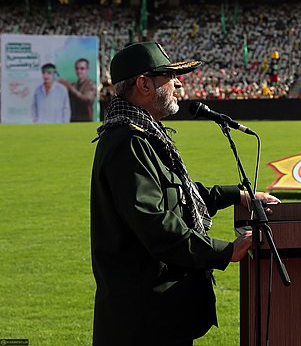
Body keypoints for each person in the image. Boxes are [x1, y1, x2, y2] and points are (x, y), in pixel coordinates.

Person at [90, 41, 279, 345]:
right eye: (170, 75)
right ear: (144, 84)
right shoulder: (128, 142)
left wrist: (237, 195)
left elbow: (178, 196)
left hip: (160, 316)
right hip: (144, 324)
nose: (178, 82)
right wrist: (225, 251)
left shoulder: (143, 135)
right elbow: (157, 224)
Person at [59, 57, 97, 121]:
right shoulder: (73, 85)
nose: (79, 71)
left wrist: (70, 88)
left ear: (88, 70)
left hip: (86, 120)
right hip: (73, 120)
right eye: (77, 68)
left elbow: (87, 100)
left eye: (82, 69)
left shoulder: (91, 84)